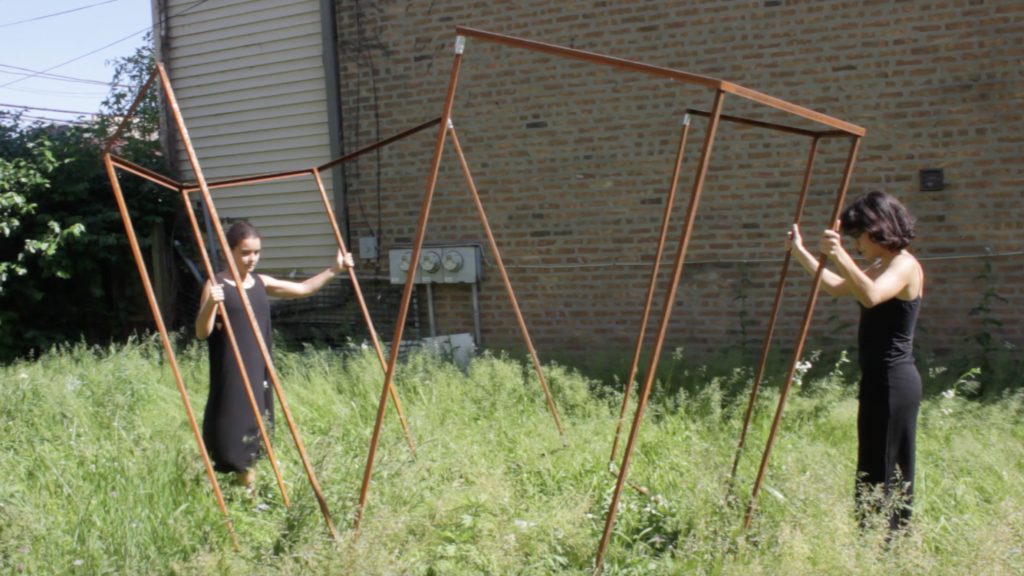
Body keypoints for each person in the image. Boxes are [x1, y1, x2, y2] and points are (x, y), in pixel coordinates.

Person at [786, 191, 923, 532]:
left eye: (858, 236)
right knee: (873, 463)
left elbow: (873, 296)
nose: (857, 244)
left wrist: (839, 253)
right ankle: (873, 537)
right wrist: (800, 253)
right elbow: (838, 287)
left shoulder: (904, 265)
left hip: (895, 381)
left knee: (888, 466)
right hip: (878, 379)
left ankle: (887, 545)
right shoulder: (880, 265)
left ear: (878, 229)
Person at [195, 221, 353, 492]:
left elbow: (303, 290)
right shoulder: (216, 284)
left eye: (256, 252)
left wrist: (334, 270)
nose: (252, 258)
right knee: (231, 428)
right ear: (228, 251)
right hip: (232, 371)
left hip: (259, 370)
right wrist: (211, 303)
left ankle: (247, 496)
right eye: (245, 252)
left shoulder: (261, 282)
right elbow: (201, 332)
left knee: (256, 430)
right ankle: (235, 494)